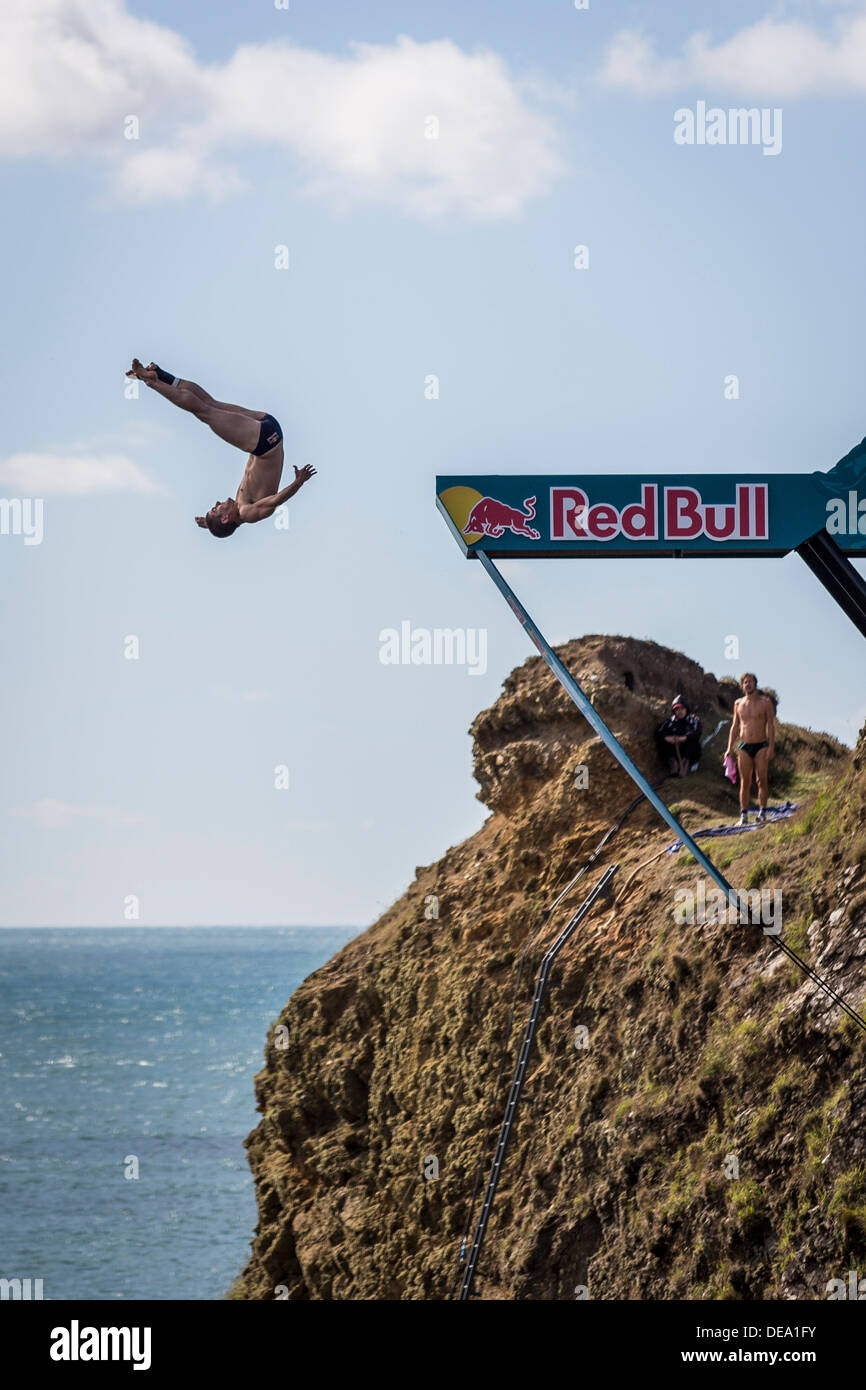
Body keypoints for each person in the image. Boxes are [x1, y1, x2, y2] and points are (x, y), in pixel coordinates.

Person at [125, 359, 316, 536]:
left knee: (209, 404)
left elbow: (221, 521)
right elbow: (275, 501)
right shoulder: (247, 513)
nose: (217, 503)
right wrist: (298, 483)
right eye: (216, 509)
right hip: (264, 442)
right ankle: (152, 381)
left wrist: (210, 523)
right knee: (203, 412)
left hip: (267, 428)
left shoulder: (237, 508)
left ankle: (159, 374)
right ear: (225, 518)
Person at [723, 673, 776, 825]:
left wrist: (771, 747)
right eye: (745, 682)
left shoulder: (765, 702)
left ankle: (762, 812)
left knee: (761, 780)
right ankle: (744, 816)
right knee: (744, 782)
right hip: (744, 746)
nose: (748, 684)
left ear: (755, 684)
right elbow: (734, 726)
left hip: (761, 745)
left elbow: (771, 726)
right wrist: (729, 748)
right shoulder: (738, 704)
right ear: (742, 686)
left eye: (751, 682)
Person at [655, 696, 703, 777]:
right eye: (677, 709)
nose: (680, 711)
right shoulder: (670, 721)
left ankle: (685, 764)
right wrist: (667, 738)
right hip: (673, 749)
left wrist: (684, 738)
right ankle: (673, 765)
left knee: (692, 742)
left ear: (686, 709)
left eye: (682, 708)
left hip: (689, 751)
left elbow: (698, 731)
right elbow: (659, 732)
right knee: (663, 743)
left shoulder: (693, 719)